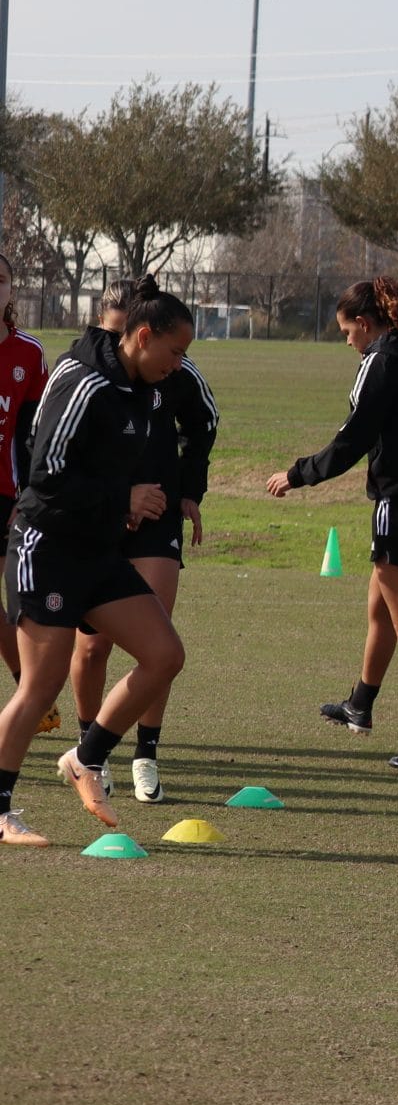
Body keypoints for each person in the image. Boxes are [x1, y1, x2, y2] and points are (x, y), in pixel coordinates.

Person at [0, 279, 196, 845]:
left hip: (96, 553)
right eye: (175, 351)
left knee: (164, 655)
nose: (179, 365)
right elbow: (46, 478)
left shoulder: (143, 387)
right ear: (141, 335)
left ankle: (86, 758)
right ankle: (1, 808)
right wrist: (123, 499)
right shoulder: (81, 380)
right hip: (48, 549)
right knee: (40, 686)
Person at [269, 278, 398, 776]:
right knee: (379, 609)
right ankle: (359, 703)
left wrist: (297, 474)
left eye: (347, 331)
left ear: (366, 323)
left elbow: (352, 438)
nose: (347, 341)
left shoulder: (380, 362)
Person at [68, 278, 217, 804]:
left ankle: (146, 753)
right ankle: (92, 751)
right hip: (97, 519)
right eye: (108, 337)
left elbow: (205, 424)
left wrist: (188, 489)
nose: (115, 351)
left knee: (157, 640)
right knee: (91, 647)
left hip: (155, 516)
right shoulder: (86, 374)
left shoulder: (172, 369)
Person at [0, 254, 50, 693]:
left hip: (6, 494)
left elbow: (36, 434)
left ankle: (29, 694)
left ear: (12, 291)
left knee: (7, 602)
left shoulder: (29, 353)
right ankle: (28, 693)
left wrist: (29, 493)